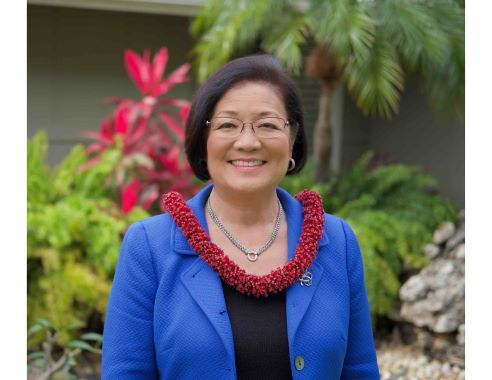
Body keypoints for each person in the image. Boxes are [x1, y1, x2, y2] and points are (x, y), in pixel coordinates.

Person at [102, 54, 380, 379]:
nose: (248, 142)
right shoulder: (149, 247)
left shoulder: (337, 242)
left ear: (292, 140)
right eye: (227, 125)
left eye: (268, 125)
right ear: (203, 140)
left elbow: (359, 370)